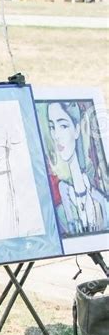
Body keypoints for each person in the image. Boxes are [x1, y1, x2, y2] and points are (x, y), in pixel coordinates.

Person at [46, 101, 108, 237]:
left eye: (63, 126)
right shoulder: (60, 209)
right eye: (52, 127)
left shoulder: (102, 202)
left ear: (77, 130)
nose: (56, 135)